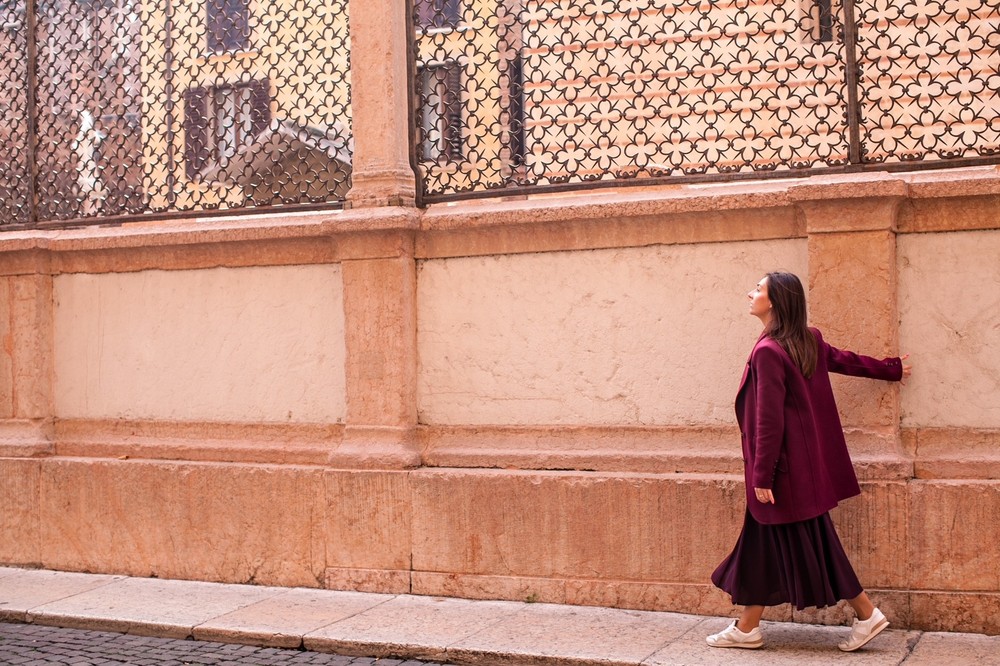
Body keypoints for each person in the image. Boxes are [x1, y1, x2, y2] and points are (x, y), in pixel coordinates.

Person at [707, 271, 912, 652]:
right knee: (762, 544)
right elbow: (844, 361)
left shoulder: (769, 351)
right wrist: (889, 369)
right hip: (803, 471)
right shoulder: (806, 338)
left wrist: (762, 475)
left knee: (815, 542)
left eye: (758, 289)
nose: (750, 293)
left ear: (775, 302)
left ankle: (867, 614)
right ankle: (747, 627)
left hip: (782, 473)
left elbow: (769, 421)